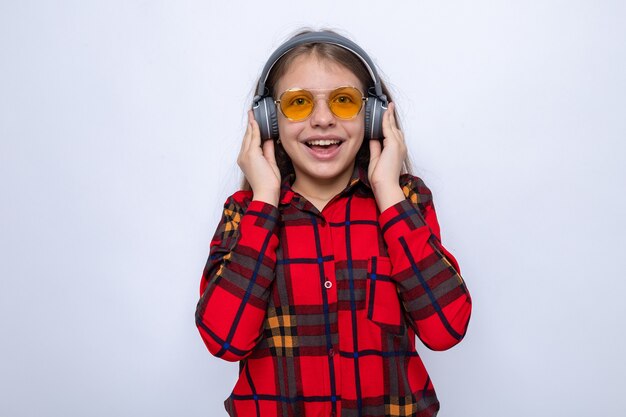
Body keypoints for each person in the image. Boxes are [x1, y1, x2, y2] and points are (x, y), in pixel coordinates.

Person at [195, 29, 472, 417]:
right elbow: (224, 340)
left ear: (374, 115)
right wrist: (264, 203)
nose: (322, 119)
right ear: (269, 120)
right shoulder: (245, 214)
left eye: (343, 101)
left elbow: (446, 328)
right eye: (299, 103)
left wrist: (388, 193)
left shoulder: (405, 200)